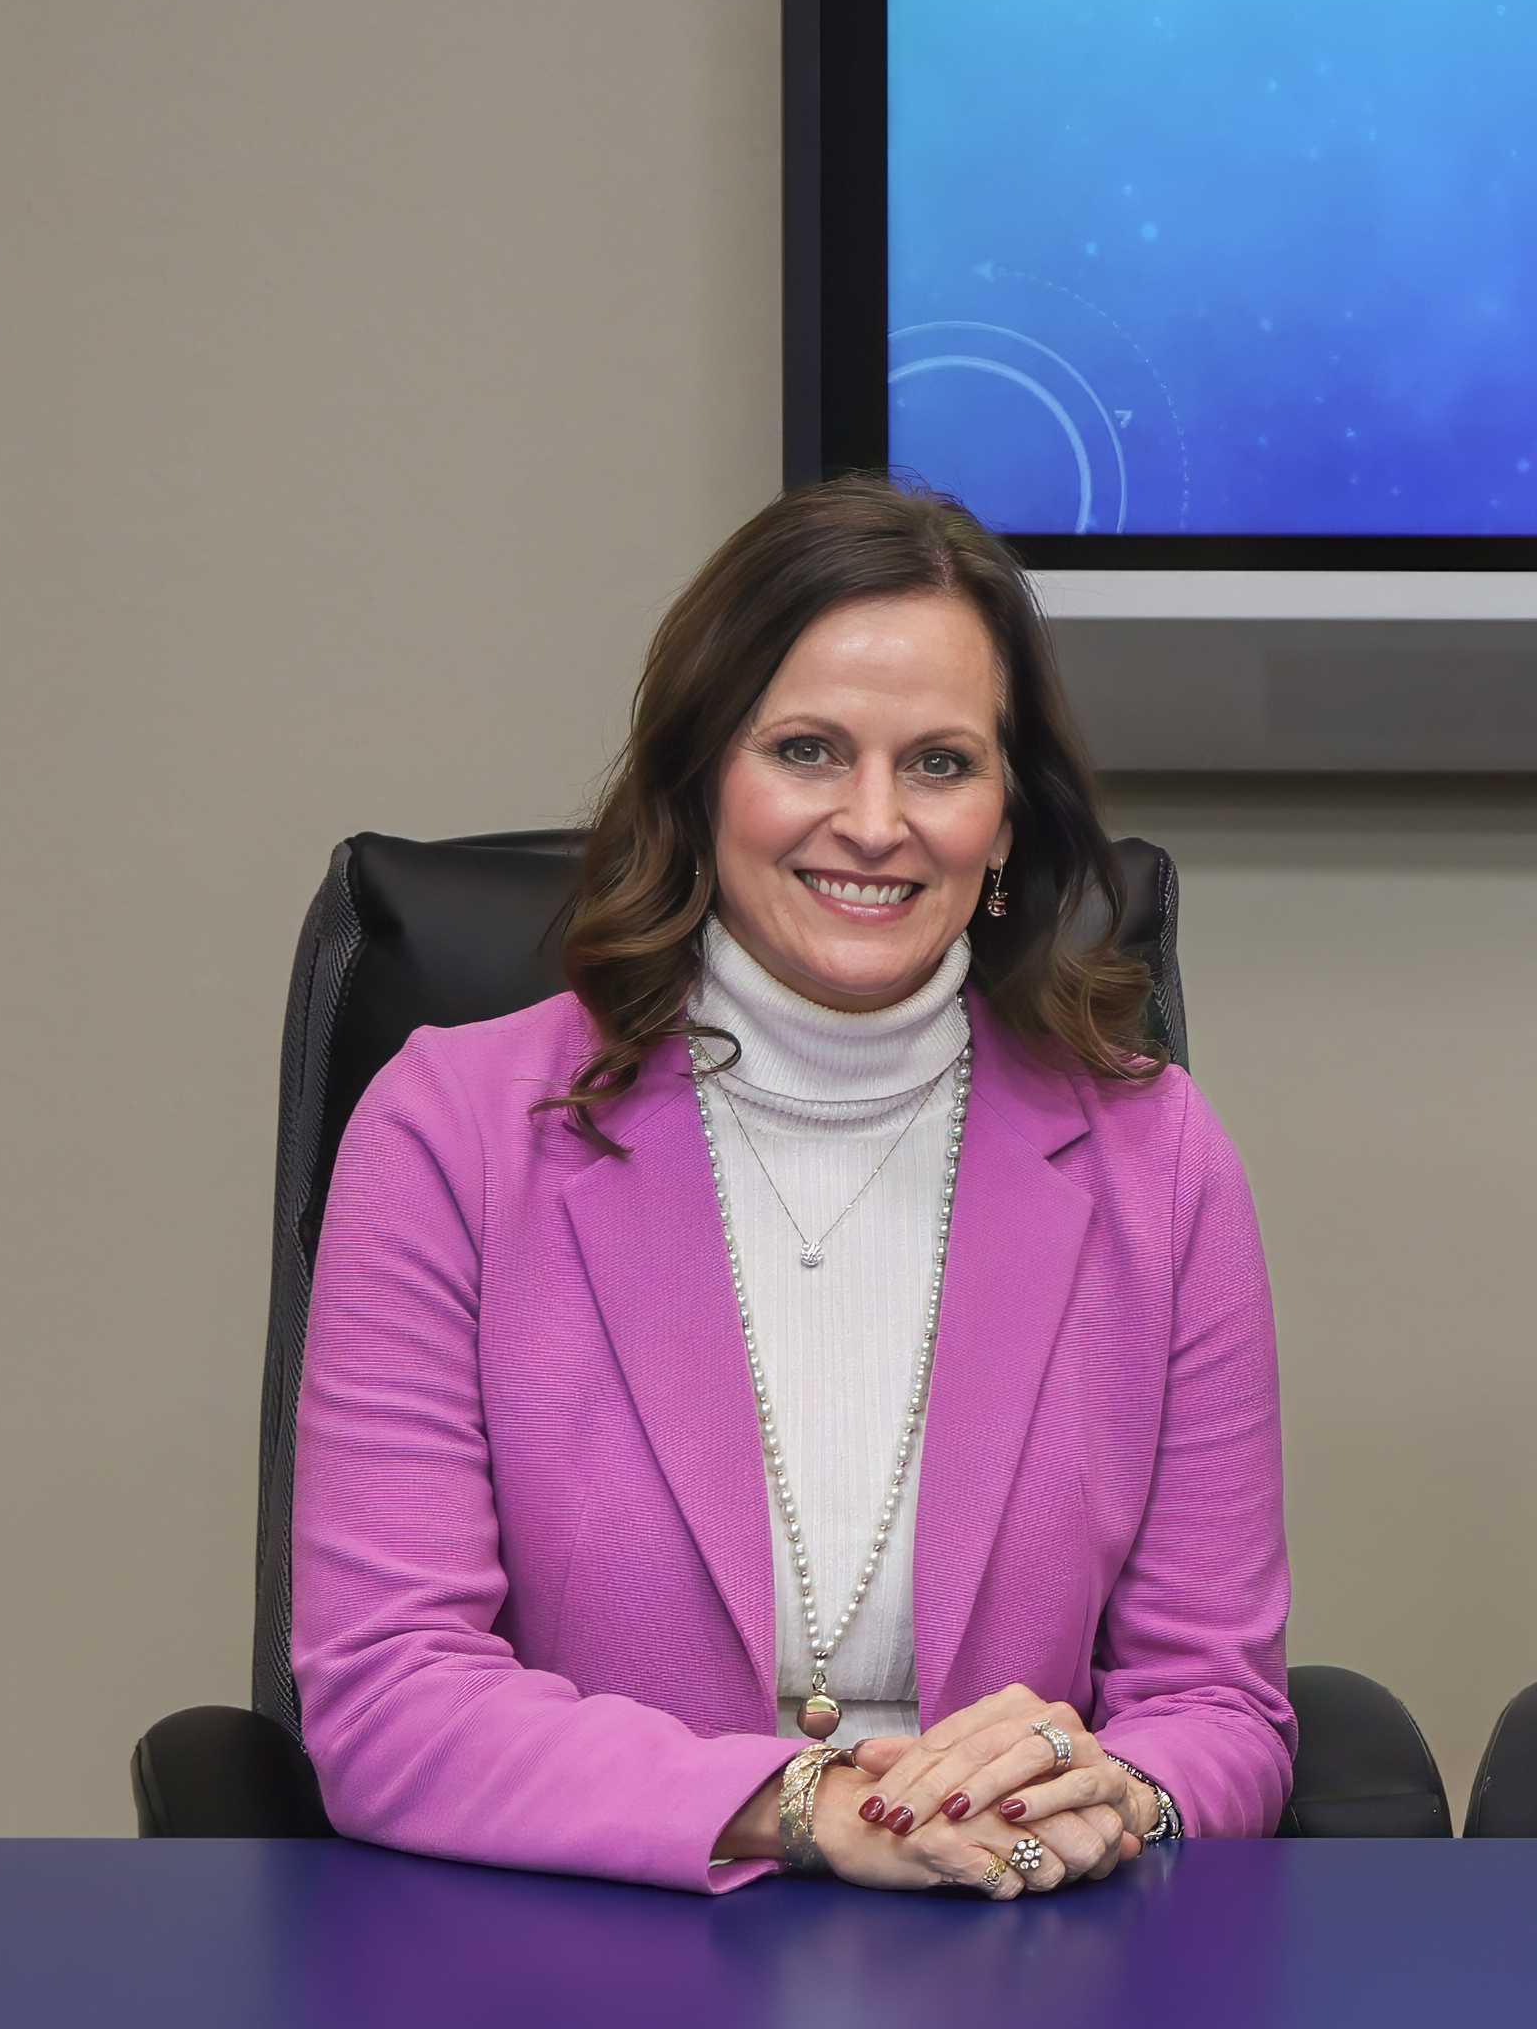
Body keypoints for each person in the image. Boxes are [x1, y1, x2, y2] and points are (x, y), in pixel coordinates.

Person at [293, 476, 1295, 1892]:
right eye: (809, 749)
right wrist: (804, 1801)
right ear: (702, 780)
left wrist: (1110, 1790)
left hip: (1016, 1975)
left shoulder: (1158, 1161)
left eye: (941, 763)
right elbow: (387, 1694)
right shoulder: (453, 1131)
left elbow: (1222, 1708)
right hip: (574, 1973)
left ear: (1010, 820)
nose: (875, 821)